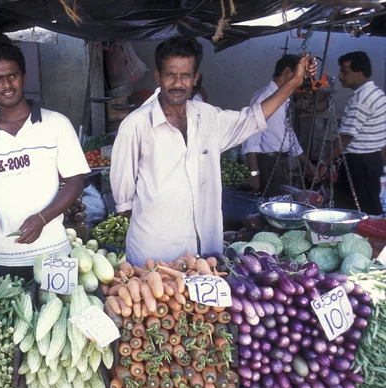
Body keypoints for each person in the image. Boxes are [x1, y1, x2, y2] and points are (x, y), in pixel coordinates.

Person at [110, 36, 316, 266]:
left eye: (185, 75)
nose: (178, 83)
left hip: (204, 254)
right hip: (154, 255)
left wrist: (294, 82)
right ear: (158, 76)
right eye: (170, 74)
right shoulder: (135, 125)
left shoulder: (208, 117)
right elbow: (123, 203)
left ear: (195, 78)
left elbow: (253, 118)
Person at [0, 42, 90, 279]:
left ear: (24, 77)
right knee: (11, 315)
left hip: (54, 251)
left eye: (13, 76)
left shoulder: (56, 124)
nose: (7, 85)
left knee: (63, 313)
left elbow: (75, 182)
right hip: (3, 255)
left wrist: (43, 219)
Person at [317, 51, 386, 216]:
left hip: (360, 163)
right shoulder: (378, 94)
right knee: (353, 206)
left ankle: (372, 239)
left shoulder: (362, 98)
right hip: (371, 160)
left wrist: (324, 162)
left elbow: (345, 137)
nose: (340, 76)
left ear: (359, 73)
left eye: (344, 71)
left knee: (361, 210)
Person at [243, 54, 316, 196]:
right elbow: (251, 138)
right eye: (300, 76)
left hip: (281, 161)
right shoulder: (264, 97)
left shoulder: (284, 98)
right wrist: (254, 172)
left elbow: (288, 133)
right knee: (272, 204)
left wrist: (306, 162)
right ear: (288, 72)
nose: (301, 82)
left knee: (281, 202)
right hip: (267, 163)